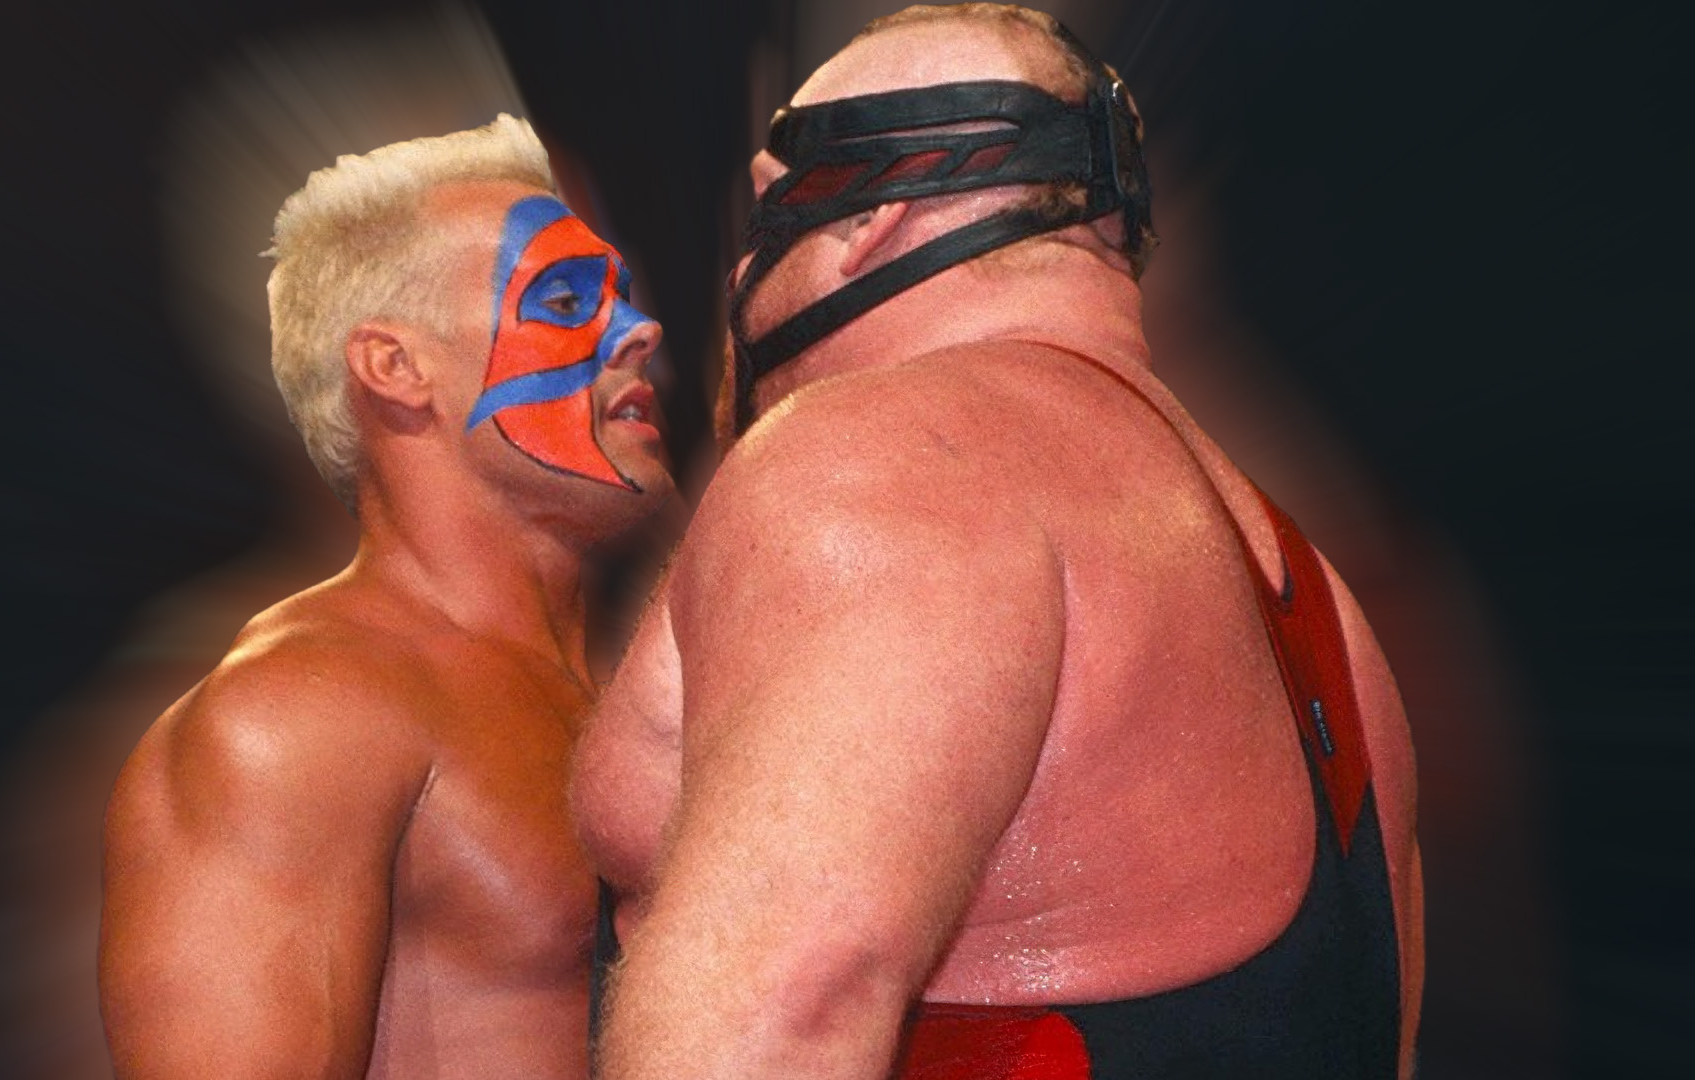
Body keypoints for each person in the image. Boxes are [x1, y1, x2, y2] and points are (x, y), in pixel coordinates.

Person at [574, 6, 1422, 1079]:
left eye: (766, 210)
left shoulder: (886, 464)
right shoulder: (1313, 597)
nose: (737, 272)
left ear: (867, 221)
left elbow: (776, 1020)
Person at [100, 115, 673, 1080]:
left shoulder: (637, 693)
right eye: (566, 298)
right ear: (397, 368)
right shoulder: (298, 719)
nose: (638, 329)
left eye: (619, 293)